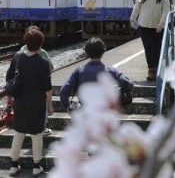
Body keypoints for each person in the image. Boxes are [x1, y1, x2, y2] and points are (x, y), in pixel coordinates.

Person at [6, 29, 53, 177]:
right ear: (41, 44)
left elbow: (9, 77)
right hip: (37, 102)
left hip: (20, 101)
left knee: (19, 133)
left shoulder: (18, 57)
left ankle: (13, 166)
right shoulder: (43, 62)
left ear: (26, 42)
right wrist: (50, 105)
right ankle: (36, 166)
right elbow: (47, 87)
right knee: (36, 134)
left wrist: (11, 97)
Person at [60, 37, 134, 109]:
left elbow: (64, 90)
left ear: (87, 52)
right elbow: (129, 84)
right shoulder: (112, 71)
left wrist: (67, 104)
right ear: (103, 52)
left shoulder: (79, 71)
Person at [130, 0, 171, 81]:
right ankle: (151, 69)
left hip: (158, 27)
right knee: (148, 48)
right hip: (144, 25)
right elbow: (137, 7)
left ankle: (157, 67)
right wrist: (132, 18)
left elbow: (166, 11)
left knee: (157, 48)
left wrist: (161, 23)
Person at [19, 26, 54, 137]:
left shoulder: (19, 54)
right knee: (39, 125)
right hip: (38, 93)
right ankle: (42, 128)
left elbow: (11, 76)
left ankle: (15, 153)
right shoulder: (42, 56)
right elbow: (50, 72)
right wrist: (50, 104)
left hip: (22, 92)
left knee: (20, 132)